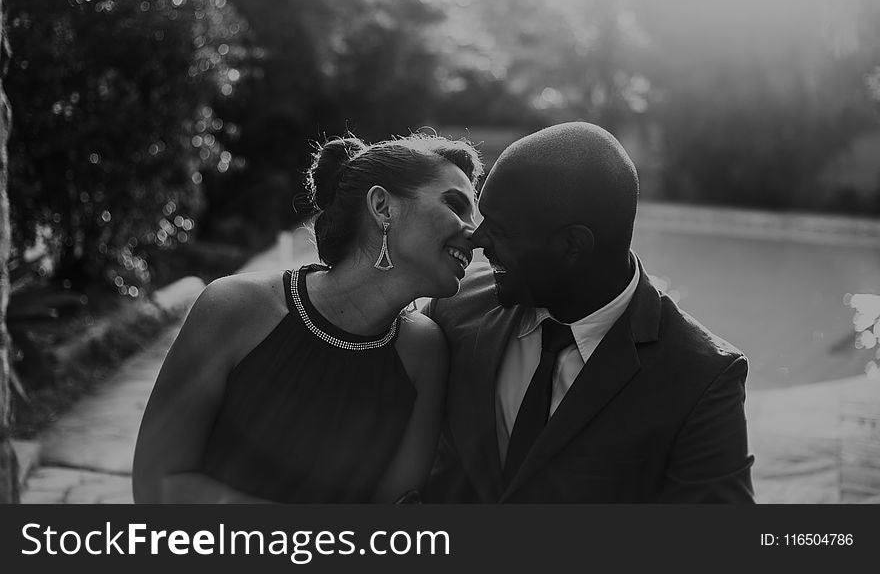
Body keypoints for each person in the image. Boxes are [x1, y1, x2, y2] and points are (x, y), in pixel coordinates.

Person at [132, 132, 482, 503]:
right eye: (456, 206)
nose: (475, 234)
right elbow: (159, 483)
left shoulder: (425, 352)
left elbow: (396, 512)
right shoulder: (234, 307)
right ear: (382, 206)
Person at [423, 122, 754, 503]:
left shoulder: (702, 378)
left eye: (502, 230)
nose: (478, 241)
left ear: (572, 245)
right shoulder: (454, 305)